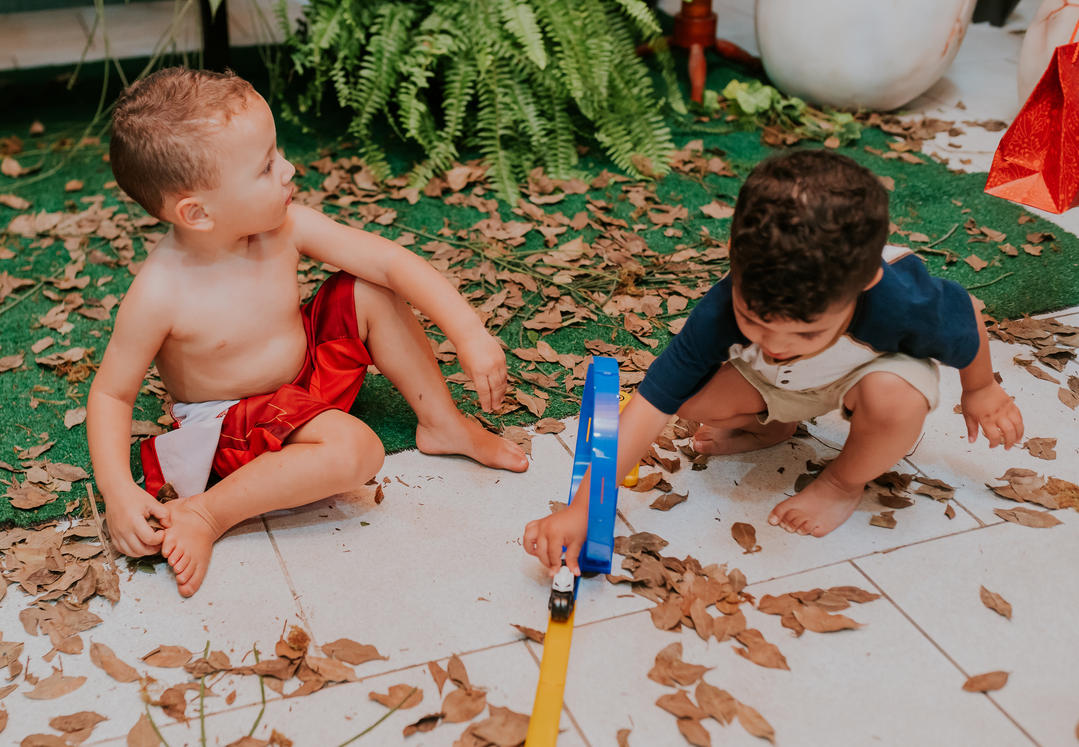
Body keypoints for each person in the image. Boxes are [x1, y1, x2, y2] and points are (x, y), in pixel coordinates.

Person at [88, 67, 528, 596]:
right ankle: (206, 513)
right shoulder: (161, 292)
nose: (289, 168)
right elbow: (112, 394)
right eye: (266, 166)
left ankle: (443, 424)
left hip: (303, 382)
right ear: (197, 212)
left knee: (369, 289)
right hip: (235, 422)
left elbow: (388, 262)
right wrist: (117, 491)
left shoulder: (283, 226)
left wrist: (469, 332)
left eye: (277, 154)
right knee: (357, 451)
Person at [524, 150, 1023, 575]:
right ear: (733, 257)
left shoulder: (900, 300)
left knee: (896, 400)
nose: (777, 342)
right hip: (781, 383)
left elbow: (965, 316)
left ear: (864, 284)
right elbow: (652, 404)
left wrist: (981, 389)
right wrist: (584, 508)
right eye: (754, 321)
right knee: (686, 395)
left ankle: (842, 482)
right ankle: (774, 427)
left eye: (805, 331)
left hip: (867, 375)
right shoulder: (723, 310)